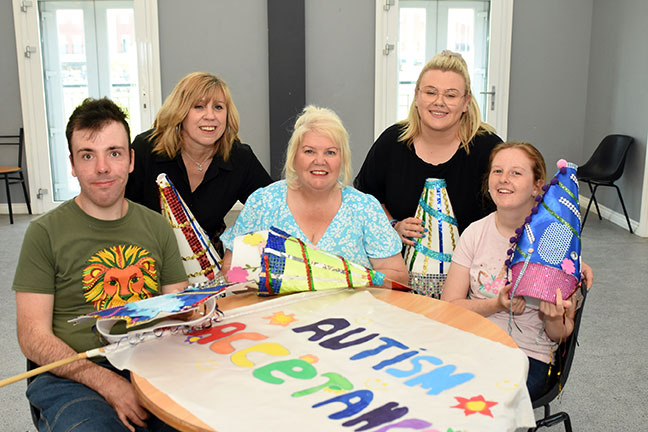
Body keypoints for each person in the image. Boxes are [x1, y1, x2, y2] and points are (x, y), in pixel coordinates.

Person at [13, 98, 188, 431]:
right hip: (71, 375)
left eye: (114, 153)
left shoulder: (157, 226)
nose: (103, 168)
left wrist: (198, 308)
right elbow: (32, 335)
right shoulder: (43, 233)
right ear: (73, 164)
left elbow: (176, 309)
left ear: (131, 160)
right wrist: (107, 384)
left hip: (150, 364)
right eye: (88, 156)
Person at [440, 142, 592, 400]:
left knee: (472, 396)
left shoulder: (555, 243)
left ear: (537, 186)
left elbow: (560, 334)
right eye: (497, 171)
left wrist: (553, 318)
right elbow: (449, 307)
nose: (504, 180)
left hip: (528, 355)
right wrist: (496, 304)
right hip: (469, 342)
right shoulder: (475, 233)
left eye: (516, 173)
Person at [220, 105, 408, 286]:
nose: (320, 161)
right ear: (294, 156)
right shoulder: (263, 203)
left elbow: (398, 276)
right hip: (277, 316)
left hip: (352, 316)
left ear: (342, 159)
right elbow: (230, 269)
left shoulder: (364, 208)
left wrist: (350, 281)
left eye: (330, 152)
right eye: (309, 151)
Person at [355, 50, 501, 242]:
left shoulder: (489, 149)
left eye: (450, 95)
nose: (439, 102)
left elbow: (511, 208)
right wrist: (392, 226)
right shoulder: (392, 142)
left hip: (474, 266)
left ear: (466, 102)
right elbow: (365, 199)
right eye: (431, 92)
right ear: (417, 96)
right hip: (398, 265)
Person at [126, 72, 272, 255]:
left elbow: (273, 206)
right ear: (180, 112)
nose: (210, 116)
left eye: (218, 107)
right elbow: (118, 209)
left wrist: (235, 246)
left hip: (209, 268)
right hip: (146, 261)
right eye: (199, 107)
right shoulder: (145, 150)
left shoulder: (239, 158)